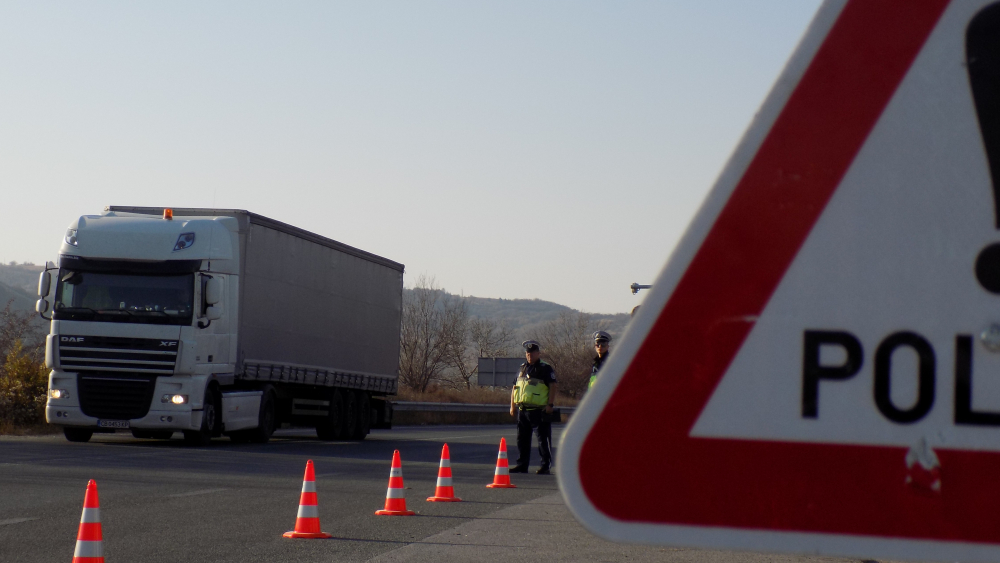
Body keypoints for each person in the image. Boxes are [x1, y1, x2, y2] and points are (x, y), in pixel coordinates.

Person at [509, 340, 558, 474]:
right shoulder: (522, 368)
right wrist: (512, 406)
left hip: (539, 410)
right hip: (523, 410)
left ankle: (545, 465)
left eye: (532, 353)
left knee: (543, 439)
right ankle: (522, 465)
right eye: (528, 353)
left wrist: (550, 404)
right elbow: (514, 388)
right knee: (522, 440)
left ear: (538, 353)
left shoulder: (544, 368)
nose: (530, 355)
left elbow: (553, 386)